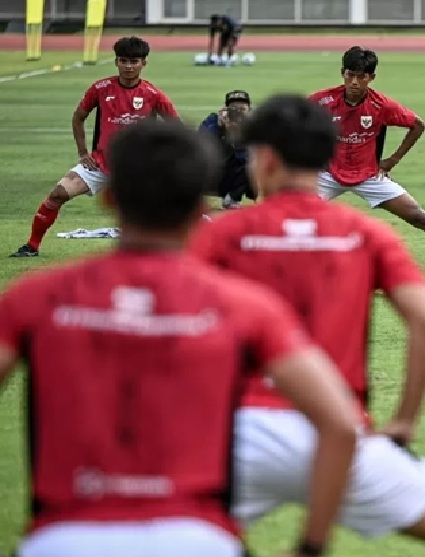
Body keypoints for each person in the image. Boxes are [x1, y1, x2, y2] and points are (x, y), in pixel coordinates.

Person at [0, 118, 360, 557]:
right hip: (195, 535)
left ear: (110, 199)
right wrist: (311, 546)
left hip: (61, 538)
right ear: (198, 209)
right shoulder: (246, 307)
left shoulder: (34, 298)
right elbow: (340, 422)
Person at [189, 94, 425, 557]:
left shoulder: (221, 236)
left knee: (158, 533)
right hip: (343, 437)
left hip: (245, 435)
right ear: (327, 155)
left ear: (263, 159)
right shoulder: (365, 233)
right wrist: (403, 422)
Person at [308, 47, 425, 272]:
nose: (355, 82)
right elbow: (292, 122)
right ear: (342, 73)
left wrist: (391, 161)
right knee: (291, 214)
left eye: (362, 76)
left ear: (372, 77)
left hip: (369, 176)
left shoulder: (381, 105)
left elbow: (417, 125)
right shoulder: (322, 101)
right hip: (328, 174)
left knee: (419, 216)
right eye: (350, 74)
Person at [10, 36, 180, 258]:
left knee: (159, 210)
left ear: (143, 64)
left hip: (138, 169)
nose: (128, 66)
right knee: (58, 194)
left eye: (134, 61)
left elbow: (176, 128)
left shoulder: (153, 94)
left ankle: (167, 253)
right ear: (116, 61)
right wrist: (83, 153)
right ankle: (31, 246)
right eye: (123, 61)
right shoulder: (100, 88)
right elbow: (78, 117)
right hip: (101, 163)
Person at [199, 90, 255, 209]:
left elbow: (250, 158)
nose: (238, 113)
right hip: (211, 175)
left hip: (234, 178)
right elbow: (201, 146)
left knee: (253, 163)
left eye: (242, 109)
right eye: (234, 109)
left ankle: (232, 198)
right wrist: (219, 127)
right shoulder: (213, 121)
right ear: (225, 110)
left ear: (249, 111)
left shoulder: (254, 127)